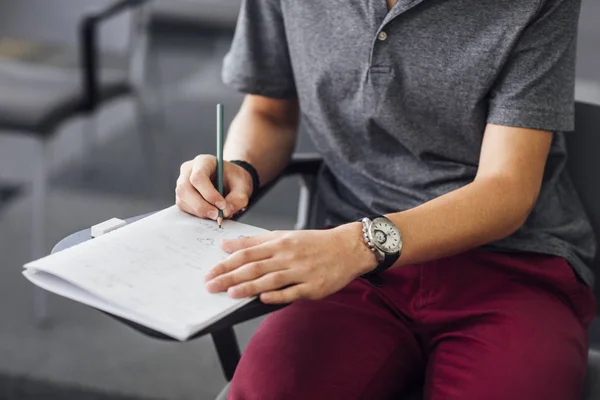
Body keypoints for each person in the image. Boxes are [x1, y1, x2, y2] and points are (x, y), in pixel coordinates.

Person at [175, 0, 597, 398]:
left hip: (509, 263)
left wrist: (360, 245)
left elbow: (506, 189)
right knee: (269, 388)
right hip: (348, 262)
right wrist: (240, 167)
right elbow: (268, 112)